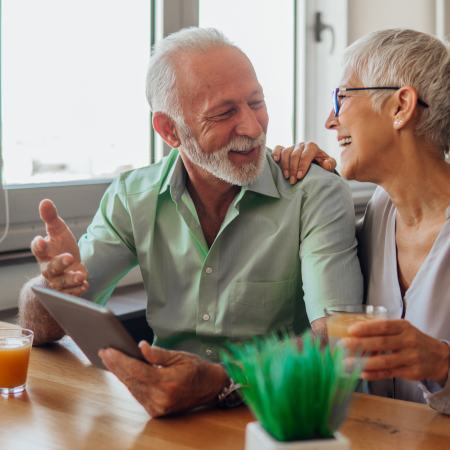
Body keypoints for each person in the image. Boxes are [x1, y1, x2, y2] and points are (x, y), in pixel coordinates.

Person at [18, 27, 363, 417]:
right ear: (169, 130)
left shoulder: (313, 193)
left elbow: (338, 338)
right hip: (168, 417)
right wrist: (50, 286)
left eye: (257, 102)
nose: (253, 127)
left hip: (278, 413)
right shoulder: (133, 198)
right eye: (224, 113)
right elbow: (44, 328)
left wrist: (222, 383)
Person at [274, 29, 450, 414]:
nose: (330, 120)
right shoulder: (381, 209)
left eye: (342, 98)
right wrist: (305, 185)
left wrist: (443, 364)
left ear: (401, 106)